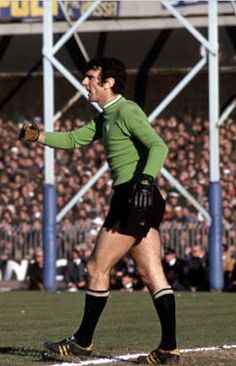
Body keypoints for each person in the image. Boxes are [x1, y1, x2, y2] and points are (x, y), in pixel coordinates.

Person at [19, 57, 180, 364]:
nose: (84, 82)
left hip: (134, 196)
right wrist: (37, 136)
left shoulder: (126, 110)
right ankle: (168, 348)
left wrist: (144, 181)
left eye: (91, 77)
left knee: (96, 267)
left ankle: (82, 342)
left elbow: (159, 146)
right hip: (138, 197)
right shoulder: (106, 115)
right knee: (150, 272)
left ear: (108, 83)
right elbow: (71, 139)